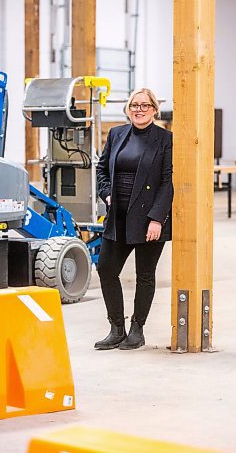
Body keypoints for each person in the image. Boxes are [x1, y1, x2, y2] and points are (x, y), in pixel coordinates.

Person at [95, 88, 173, 350]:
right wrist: (106, 194)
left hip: (148, 217)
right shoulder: (117, 134)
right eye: (134, 105)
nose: (138, 109)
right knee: (106, 268)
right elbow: (102, 169)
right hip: (118, 215)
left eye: (144, 105)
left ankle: (137, 329)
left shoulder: (165, 139)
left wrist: (157, 219)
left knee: (145, 275)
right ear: (128, 109)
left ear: (154, 109)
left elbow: (167, 182)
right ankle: (116, 328)